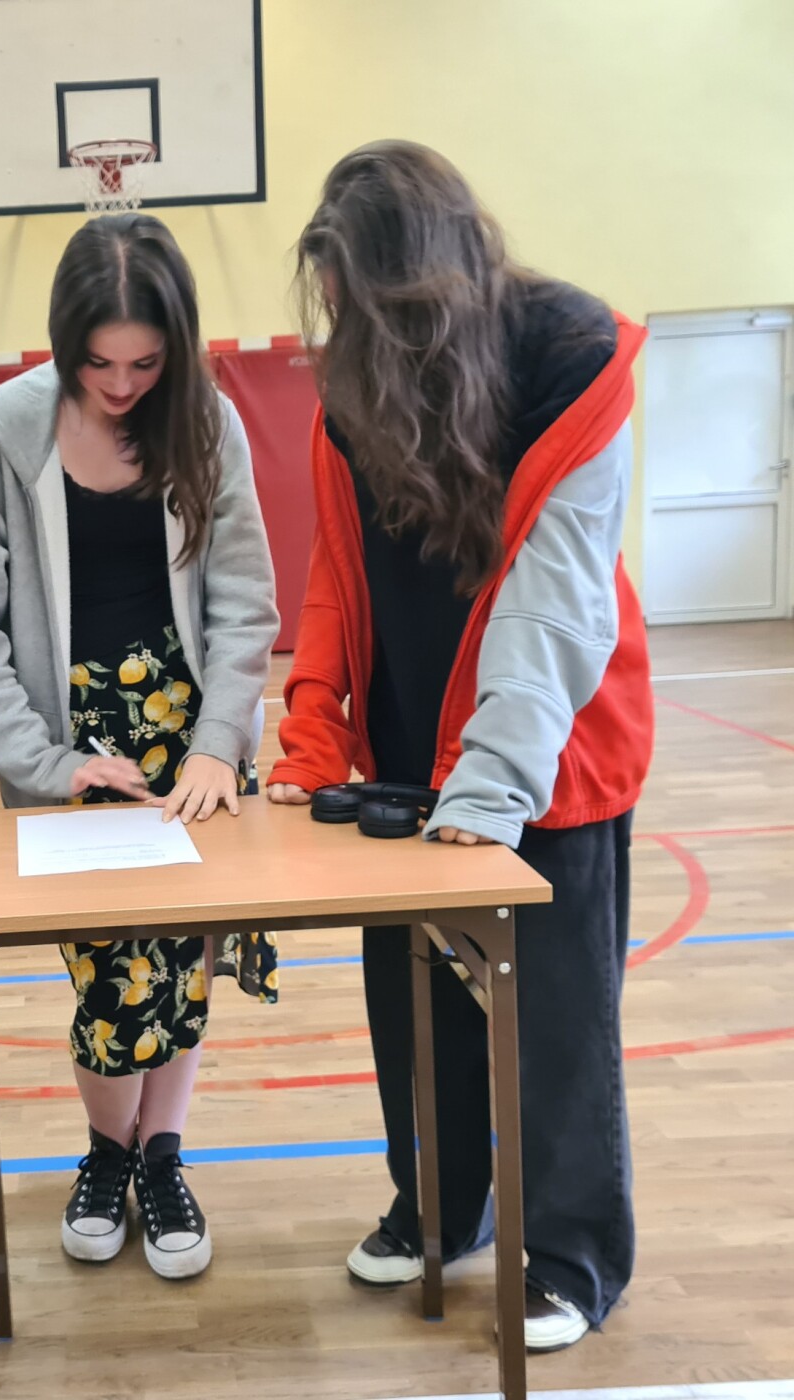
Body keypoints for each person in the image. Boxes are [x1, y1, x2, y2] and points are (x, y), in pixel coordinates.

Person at [268, 141, 652, 1351]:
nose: (343, 325)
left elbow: (554, 603)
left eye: (360, 302)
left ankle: (573, 1255)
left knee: (553, 1023)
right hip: (406, 752)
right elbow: (337, 569)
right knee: (414, 1011)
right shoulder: (349, 386)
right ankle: (440, 1208)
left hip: (549, 757)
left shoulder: (568, 355)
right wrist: (312, 728)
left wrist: (487, 791)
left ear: (422, 285)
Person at [0, 214, 280, 1279]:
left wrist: (217, 744)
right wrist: (46, 765)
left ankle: (158, 1155)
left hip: (191, 740)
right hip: (78, 746)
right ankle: (108, 1151)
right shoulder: (4, 428)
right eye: (99, 364)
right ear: (63, 342)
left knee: (184, 966)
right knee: (110, 975)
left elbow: (244, 600)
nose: (123, 385)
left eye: (145, 363)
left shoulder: (206, 420)